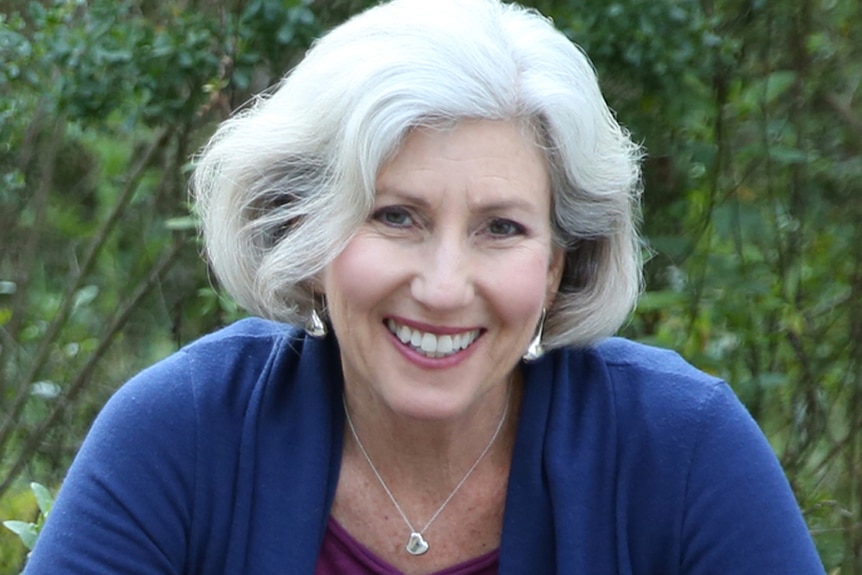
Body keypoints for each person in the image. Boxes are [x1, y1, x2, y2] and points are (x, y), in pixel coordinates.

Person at [24, 0, 824, 573]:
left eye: (501, 228)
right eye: (397, 216)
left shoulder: (683, 447)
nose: (444, 287)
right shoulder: (182, 434)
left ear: (556, 265)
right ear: (309, 237)